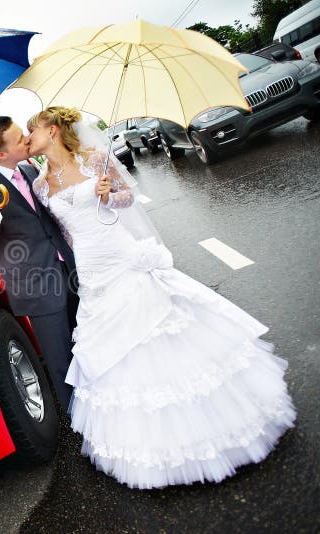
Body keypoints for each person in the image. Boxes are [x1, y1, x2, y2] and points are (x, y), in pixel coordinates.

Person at [26, 106, 296, 489]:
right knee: (111, 345)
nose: (28, 137)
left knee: (160, 327)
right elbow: (65, 234)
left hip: (119, 252)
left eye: (32, 130)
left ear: (52, 131)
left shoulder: (95, 160)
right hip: (91, 267)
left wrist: (108, 197)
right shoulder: (40, 184)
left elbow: (127, 199)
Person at [0, 116, 79, 408]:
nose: (27, 140)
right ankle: (82, 429)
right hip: (38, 289)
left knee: (88, 349)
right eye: (19, 139)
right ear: (1, 154)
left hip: (69, 272)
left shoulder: (29, 170)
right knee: (62, 364)